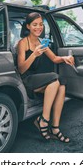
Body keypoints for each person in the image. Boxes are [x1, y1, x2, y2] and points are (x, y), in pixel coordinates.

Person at [17, 12, 74, 143]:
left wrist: (65, 58)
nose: (39, 27)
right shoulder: (23, 43)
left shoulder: (42, 42)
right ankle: (43, 120)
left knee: (61, 85)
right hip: (27, 80)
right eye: (35, 24)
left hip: (38, 80)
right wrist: (34, 54)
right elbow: (21, 69)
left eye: (41, 24)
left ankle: (54, 127)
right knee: (55, 79)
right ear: (28, 26)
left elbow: (54, 58)